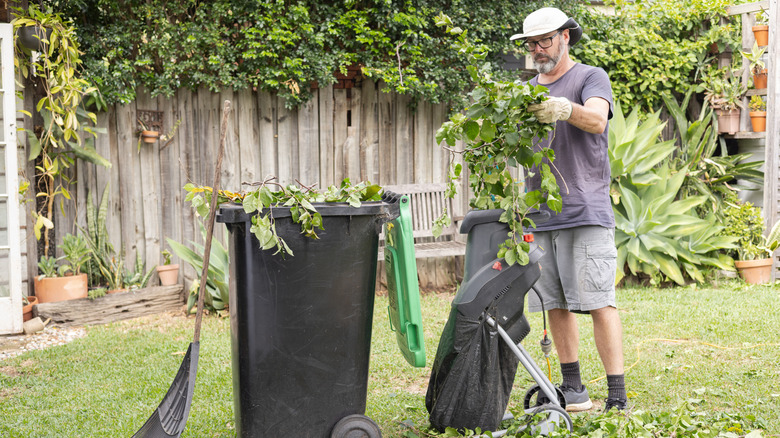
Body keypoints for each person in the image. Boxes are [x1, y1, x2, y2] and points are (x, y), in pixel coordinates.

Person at [509, 7, 627, 412]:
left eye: (545, 41)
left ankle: (617, 396)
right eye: (531, 43)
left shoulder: (590, 77)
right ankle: (573, 388)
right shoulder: (525, 89)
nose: (537, 49)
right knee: (552, 303)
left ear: (565, 37)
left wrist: (563, 108)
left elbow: (596, 120)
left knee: (598, 300)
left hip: (585, 207)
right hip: (540, 212)